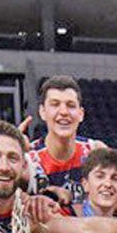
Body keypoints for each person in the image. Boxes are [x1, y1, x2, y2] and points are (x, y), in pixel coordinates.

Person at [28, 75, 105, 205]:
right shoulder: (29, 158)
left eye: (70, 105)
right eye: (55, 104)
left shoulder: (95, 151)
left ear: (81, 114)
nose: (63, 112)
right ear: (42, 112)